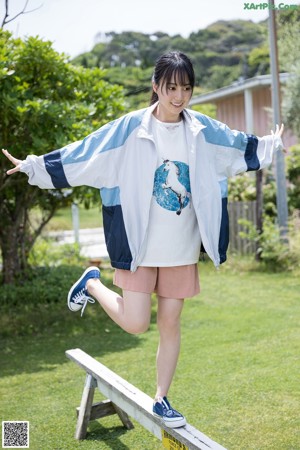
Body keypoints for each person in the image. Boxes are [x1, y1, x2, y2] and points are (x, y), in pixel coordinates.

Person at [2, 51, 284, 429]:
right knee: (136, 323)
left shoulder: (202, 129)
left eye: (186, 88)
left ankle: (162, 398)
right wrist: (36, 166)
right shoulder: (129, 129)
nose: (179, 96)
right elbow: (86, 152)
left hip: (181, 247)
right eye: (171, 87)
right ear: (156, 87)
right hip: (137, 245)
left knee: (170, 324)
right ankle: (92, 284)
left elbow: (237, 146)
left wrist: (268, 144)